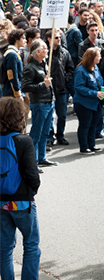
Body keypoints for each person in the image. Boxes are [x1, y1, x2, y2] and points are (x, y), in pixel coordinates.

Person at [0, 97, 41, 279]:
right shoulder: (24, 141)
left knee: (4, 249)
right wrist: (32, 191)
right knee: (31, 245)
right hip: (22, 203)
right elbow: (32, 175)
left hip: (1, 204)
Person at [21, 40, 56, 167]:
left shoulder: (44, 64)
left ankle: (41, 158)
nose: (47, 51)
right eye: (45, 48)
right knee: (36, 134)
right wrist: (43, 85)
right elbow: (25, 87)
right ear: (38, 51)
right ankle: (33, 162)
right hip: (40, 104)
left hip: (48, 102)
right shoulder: (30, 67)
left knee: (45, 133)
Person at [43, 29, 74, 147]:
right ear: (49, 39)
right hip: (48, 89)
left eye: (59, 37)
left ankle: (60, 135)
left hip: (61, 89)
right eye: (56, 37)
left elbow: (70, 68)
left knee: (62, 115)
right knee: (50, 115)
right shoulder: (45, 53)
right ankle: (50, 136)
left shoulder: (65, 53)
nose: (59, 39)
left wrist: (65, 79)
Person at [73, 47, 104, 155]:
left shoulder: (96, 67)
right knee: (85, 124)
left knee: (93, 124)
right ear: (92, 57)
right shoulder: (80, 70)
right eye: (98, 56)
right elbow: (79, 87)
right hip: (84, 102)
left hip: (96, 102)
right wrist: (94, 93)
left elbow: (99, 81)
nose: (100, 58)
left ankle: (91, 145)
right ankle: (84, 147)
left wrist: (102, 91)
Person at [2, 29, 25, 99]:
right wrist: (17, 93)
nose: (25, 40)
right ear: (16, 40)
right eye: (23, 38)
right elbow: (12, 75)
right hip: (11, 93)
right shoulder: (12, 54)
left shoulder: (15, 53)